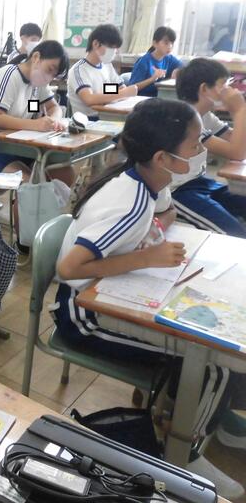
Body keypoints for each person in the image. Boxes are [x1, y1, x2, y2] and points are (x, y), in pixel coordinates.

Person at [52, 98, 246, 499]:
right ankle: (181, 452)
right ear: (163, 157)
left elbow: (166, 213)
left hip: (113, 289)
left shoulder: (148, 179)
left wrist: (152, 232)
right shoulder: (128, 202)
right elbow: (69, 269)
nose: (203, 150)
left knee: (211, 351)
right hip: (82, 314)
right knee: (212, 364)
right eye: (195, 144)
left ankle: (210, 418)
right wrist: (146, 256)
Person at [0, 40, 73, 186]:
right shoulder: (9, 75)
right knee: (27, 184)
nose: (49, 78)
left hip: (18, 143)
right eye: (49, 69)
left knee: (64, 172)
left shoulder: (38, 83)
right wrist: (36, 124)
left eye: (54, 75)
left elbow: (54, 107)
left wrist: (54, 121)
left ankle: (51, 201)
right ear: (36, 57)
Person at [173, 58, 246, 236]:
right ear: (204, 89)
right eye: (224, 84)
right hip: (177, 190)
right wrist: (239, 110)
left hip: (200, 181)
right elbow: (237, 153)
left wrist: (238, 113)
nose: (230, 90)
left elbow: (235, 139)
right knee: (236, 235)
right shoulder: (184, 119)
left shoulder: (205, 115)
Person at [67, 24, 137, 119]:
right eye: (111, 47)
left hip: (108, 114)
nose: (115, 51)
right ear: (96, 44)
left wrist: (113, 94)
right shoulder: (79, 70)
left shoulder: (107, 65)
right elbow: (89, 99)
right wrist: (123, 94)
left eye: (116, 48)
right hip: (89, 120)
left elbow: (120, 88)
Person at [128, 26, 183, 97]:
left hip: (161, 97)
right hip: (144, 98)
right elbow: (131, 88)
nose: (170, 46)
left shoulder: (169, 59)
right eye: (166, 43)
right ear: (155, 43)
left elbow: (183, 67)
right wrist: (153, 79)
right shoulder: (144, 61)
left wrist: (178, 70)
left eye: (172, 43)